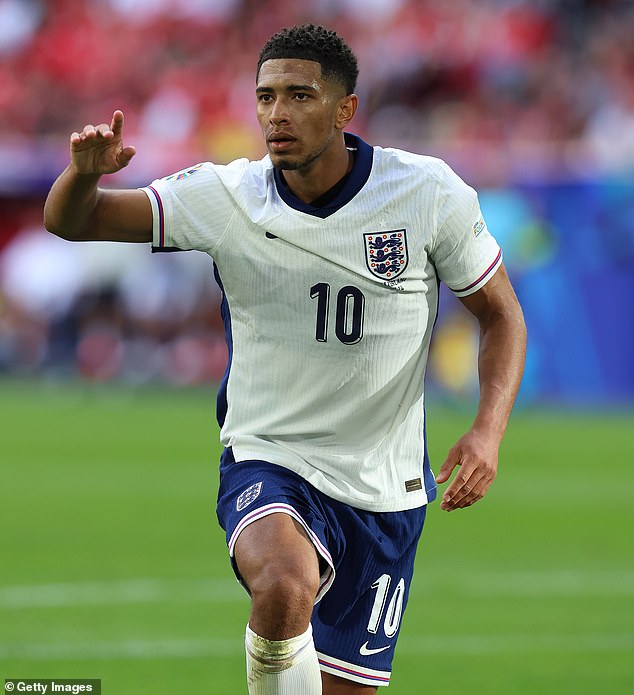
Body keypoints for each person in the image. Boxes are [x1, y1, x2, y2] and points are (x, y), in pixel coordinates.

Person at [44, 23, 526, 695]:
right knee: (283, 582)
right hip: (269, 455)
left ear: (344, 108)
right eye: (266, 97)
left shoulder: (428, 194)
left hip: (383, 489)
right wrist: (80, 175)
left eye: (299, 95)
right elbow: (75, 220)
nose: (277, 114)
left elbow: (501, 314)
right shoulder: (226, 196)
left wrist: (487, 431)